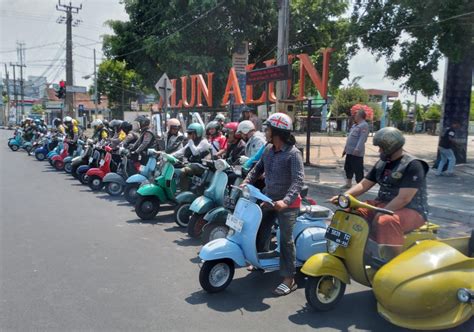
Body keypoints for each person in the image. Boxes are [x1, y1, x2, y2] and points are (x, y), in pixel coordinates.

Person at [331, 127, 428, 259]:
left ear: (391, 147)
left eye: (381, 147)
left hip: (411, 210)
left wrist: (382, 212)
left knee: (385, 221)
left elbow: (403, 199)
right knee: (350, 211)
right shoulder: (383, 163)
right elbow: (364, 184)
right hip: (383, 204)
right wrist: (344, 196)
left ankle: (393, 261)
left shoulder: (413, 165)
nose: (379, 151)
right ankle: (356, 251)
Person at [242, 113, 304, 297]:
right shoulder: (269, 149)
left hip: (288, 204)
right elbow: (257, 168)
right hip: (269, 199)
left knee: (285, 239)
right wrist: (247, 181)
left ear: (276, 132)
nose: (265, 131)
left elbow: (298, 180)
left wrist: (285, 201)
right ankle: (261, 259)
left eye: (268, 128)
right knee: (258, 226)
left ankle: (289, 279)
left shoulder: (293, 154)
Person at [172, 123, 211, 191]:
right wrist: (169, 155)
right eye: (188, 133)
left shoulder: (204, 142)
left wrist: (190, 141)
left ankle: (184, 190)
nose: (188, 135)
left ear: (197, 133)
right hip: (192, 164)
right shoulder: (192, 142)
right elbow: (182, 151)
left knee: (184, 171)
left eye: (190, 133)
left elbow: (195, 152)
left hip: (201, 166)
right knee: (175, 167)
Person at [342, 110, 369, 188]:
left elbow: (362, 138)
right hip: (349, 151)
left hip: (356, 152)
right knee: (348, 167)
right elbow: (349, 138)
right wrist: (345, 149)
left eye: (356, 115)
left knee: (358, 169)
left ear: (360, 116)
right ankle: (348, 184)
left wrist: (357, 149)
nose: (355, 117)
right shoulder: (355, 126)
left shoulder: (364, 125)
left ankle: (360, 186)